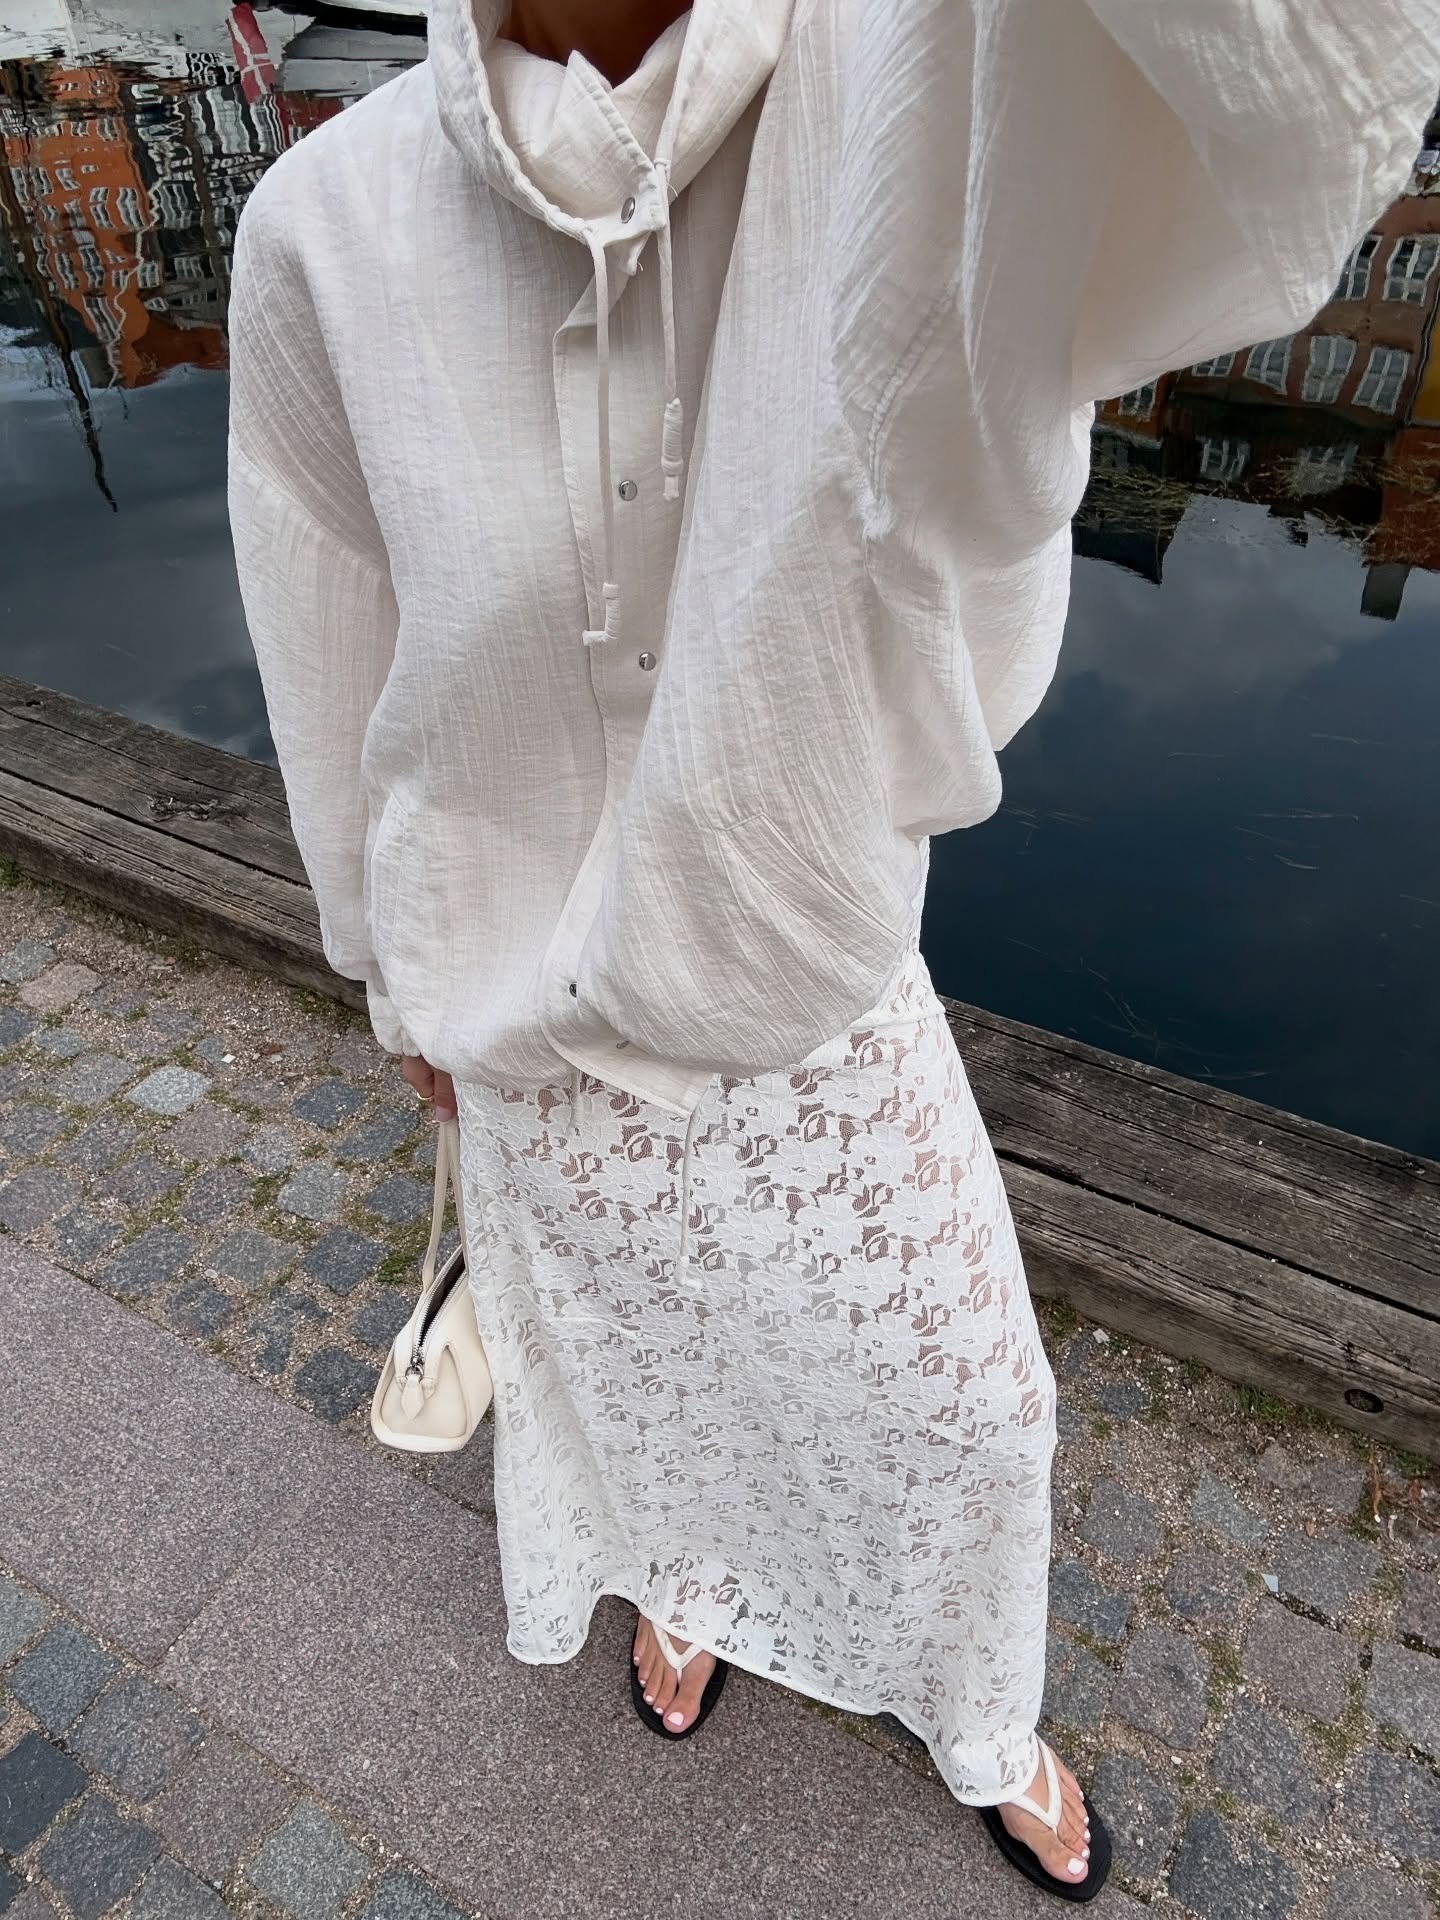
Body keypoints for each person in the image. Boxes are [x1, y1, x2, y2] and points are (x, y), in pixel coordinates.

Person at [227, 0, 1433, 1898]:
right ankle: (689, 1578)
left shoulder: (922, 77)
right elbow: (327, 635)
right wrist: (383, 968)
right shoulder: (318, 222)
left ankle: (976, 1708)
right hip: (519, 991)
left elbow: (1282, 124)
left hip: (807, 979)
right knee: (634, 1365)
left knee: (969, 1399)